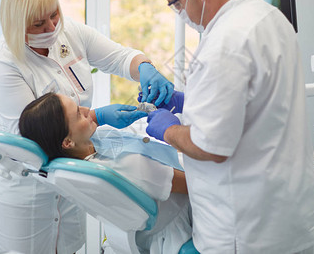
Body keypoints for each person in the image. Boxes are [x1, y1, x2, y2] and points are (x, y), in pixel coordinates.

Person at [143, 0, 314, 253]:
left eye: (175, 4)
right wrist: (190, 104)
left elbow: (211, 146)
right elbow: (258, 103)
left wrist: (168, 129)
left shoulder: (225, 42)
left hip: (245, 229)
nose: (179, 13)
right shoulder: (271, 17)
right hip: (288, 217)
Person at [0, 0, 173, 254]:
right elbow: (35, 139)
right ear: (16, 26)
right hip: (25, 186)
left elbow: (120, 57)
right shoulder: (4, 63)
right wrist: (96, 117)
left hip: (72, 178)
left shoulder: (68, 32)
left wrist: (145, 67)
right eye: (38, 24)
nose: (51, 26)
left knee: (69, 247)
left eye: (54, 15)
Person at [18, 92, 192, 254]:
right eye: (79, 113)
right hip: (187, 212)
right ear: (68, 142)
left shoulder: (89, 152)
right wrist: (173, 132)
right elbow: (193, 184)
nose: (89, 111)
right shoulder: (129, 164)